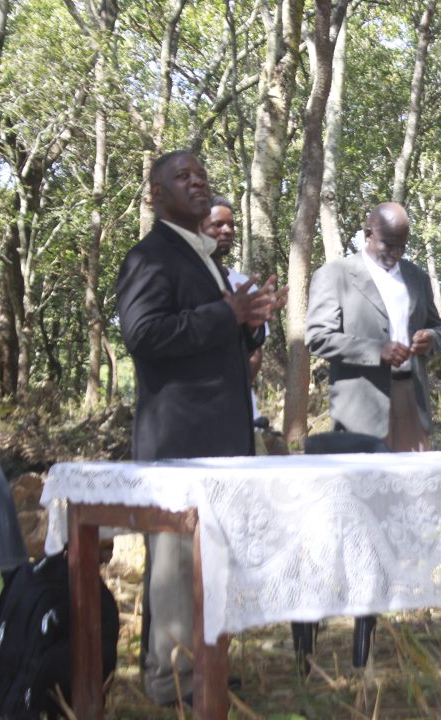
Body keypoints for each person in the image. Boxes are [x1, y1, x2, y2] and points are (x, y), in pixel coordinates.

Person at [116, 150, 285, 706]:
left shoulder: (205, 257)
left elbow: (216, 339)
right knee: (174, 566)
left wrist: (251, 323)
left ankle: (203, 666)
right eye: (182, 177)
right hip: (179, 438)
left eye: (201, 176)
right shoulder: (149, 257)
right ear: (157, 194)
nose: (197, 183)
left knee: (210, 563)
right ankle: (171, 679)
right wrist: (225, 314)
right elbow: (144, 335)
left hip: (219, 439)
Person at [306, 201, 441, 451]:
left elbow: (439, 330)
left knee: (414, 475)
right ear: (368, 234)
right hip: (361, 408)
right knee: (366, 476)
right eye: (389, 245)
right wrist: (376, 350)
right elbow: (318, 338)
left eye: (402, 246)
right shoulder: (334, 275)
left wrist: (430, 338)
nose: (396, 253)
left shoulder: (417, 278)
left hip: (411, 400)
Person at [201, 196, 269, 435]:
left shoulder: (243, 284)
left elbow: (255, 353)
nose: (228, 230)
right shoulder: (183, 280)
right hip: (195, 413)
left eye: (231, 225)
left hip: (241, 412)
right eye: (218, 224)